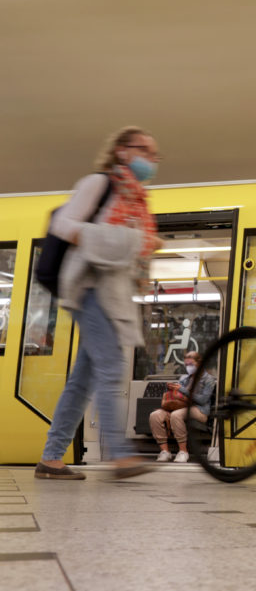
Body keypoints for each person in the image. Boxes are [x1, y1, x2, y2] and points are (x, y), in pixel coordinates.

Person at [36, 126, 162, 480]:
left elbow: (133, 244)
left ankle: (51, 459)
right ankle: (121, 456)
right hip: (87, 286)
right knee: (111, 366)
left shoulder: (136, 198)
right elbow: (62, 224)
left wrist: (137, 246)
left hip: (112, 292)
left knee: (84, 379)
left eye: (154, 155)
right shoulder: (99, 183)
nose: (151, 160)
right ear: (122, 151)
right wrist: (111, 241)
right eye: (144, 151)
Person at [149, 350, 215, 462]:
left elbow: (203, 400)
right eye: (186, 365)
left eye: (191, 364)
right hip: (181, 406)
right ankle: (165, 451)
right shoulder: (184, 378)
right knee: (155, 415)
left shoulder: (208, 379)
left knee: (176, 415)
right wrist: (173, 391)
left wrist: (182, 390)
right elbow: (179, 396)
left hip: (200, 410)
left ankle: (183, 452)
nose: (188, 367)